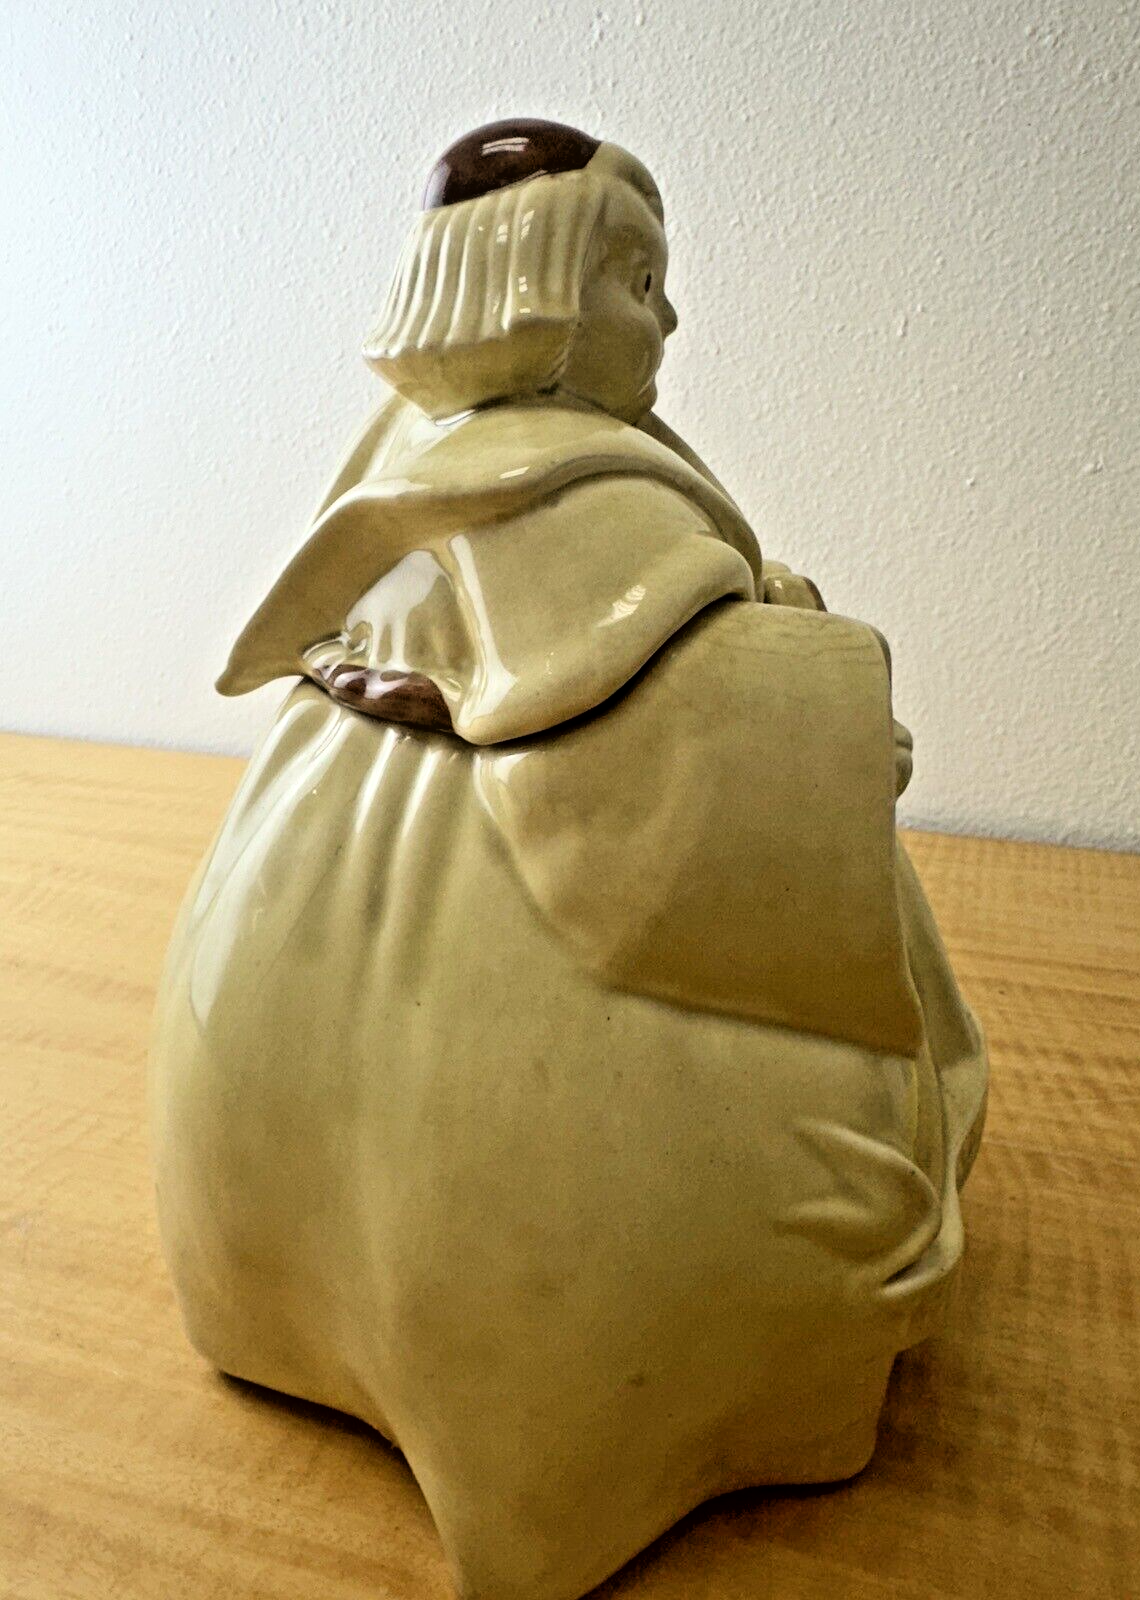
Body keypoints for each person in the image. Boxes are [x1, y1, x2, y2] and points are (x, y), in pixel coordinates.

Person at [151, 119, 987, 1600]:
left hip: (333, 820)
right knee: (663, 1147)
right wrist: (826, 703)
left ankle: (262, 1302)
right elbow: (622, 702)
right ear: (535, 292)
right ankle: (567, 1454)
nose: (668, 319)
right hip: (549, 865)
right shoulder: (581, 490)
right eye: (638, 282)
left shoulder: (406, 458)